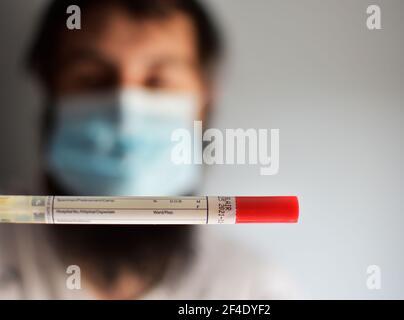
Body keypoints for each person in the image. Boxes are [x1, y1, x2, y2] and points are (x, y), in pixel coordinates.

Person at [0, 0, 296, 299]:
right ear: (50, 94)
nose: (125, 116)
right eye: (91, 78)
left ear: (205, 101)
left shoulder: (253, 290)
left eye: (159, 81)